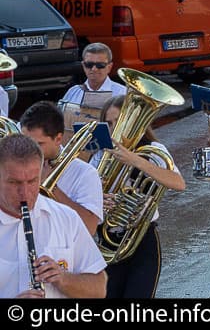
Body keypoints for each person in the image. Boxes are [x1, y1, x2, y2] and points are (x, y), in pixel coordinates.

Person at [96, 94, 185, 298]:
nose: (113, 129)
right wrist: (98, 197)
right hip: (107, 241)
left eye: (118, 122)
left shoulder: (153, 150)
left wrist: (136, 160)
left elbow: (178, 183)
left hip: (142, 239)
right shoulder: (100, 155)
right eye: (108, 124)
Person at [0, 134, 107, 298]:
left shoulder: (66, 218)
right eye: (14, 183)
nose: (25, 193)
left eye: (32, 181)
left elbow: (99, 289)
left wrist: (64, 279)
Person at [20, 101, 103, 235]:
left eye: (39, 144)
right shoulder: (16, 163)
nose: (29, 150)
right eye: (25, 141)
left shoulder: (85, 173)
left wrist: (51, 187)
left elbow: (89, 227)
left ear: (58, 139)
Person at [61, 43, 128, 105]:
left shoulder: (123, 94)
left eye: (100, 65)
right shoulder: (73, 92)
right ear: (83, 66)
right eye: (89, 64)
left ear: (109, 67)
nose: (94, 69)